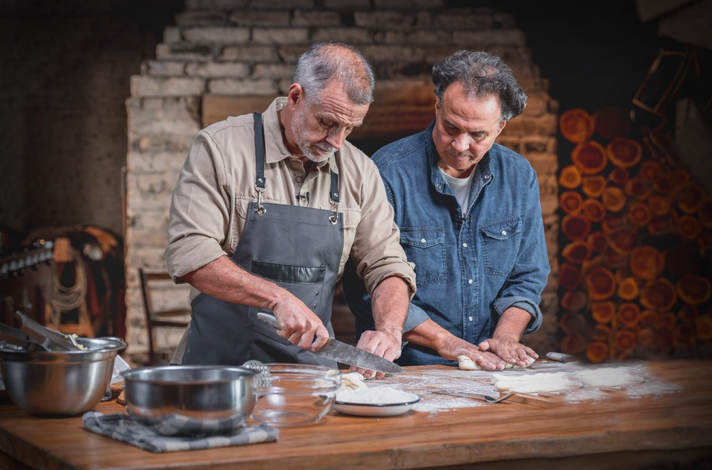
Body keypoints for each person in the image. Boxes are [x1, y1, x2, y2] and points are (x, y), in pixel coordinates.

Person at [164, 43, 416, 378]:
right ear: (295, 96)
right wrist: (276, 298)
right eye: (327, 122)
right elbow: (189, 251)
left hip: (310, 374)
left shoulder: (360, 171)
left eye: (350, 128)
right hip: (219, 369)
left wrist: (389, 330)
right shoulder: (220, 148)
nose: (337, 141)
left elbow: (387, 264)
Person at [342, 50, 549, 370]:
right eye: (451, 127)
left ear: (500, 127)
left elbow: (528, 276)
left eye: (477, 134)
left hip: (490, 363)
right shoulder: (386, 172)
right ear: (437, 107)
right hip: (408, 365)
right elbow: (364, 287)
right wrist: (444, 341)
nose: (460, 145)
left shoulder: (520, 177)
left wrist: (506, 336)